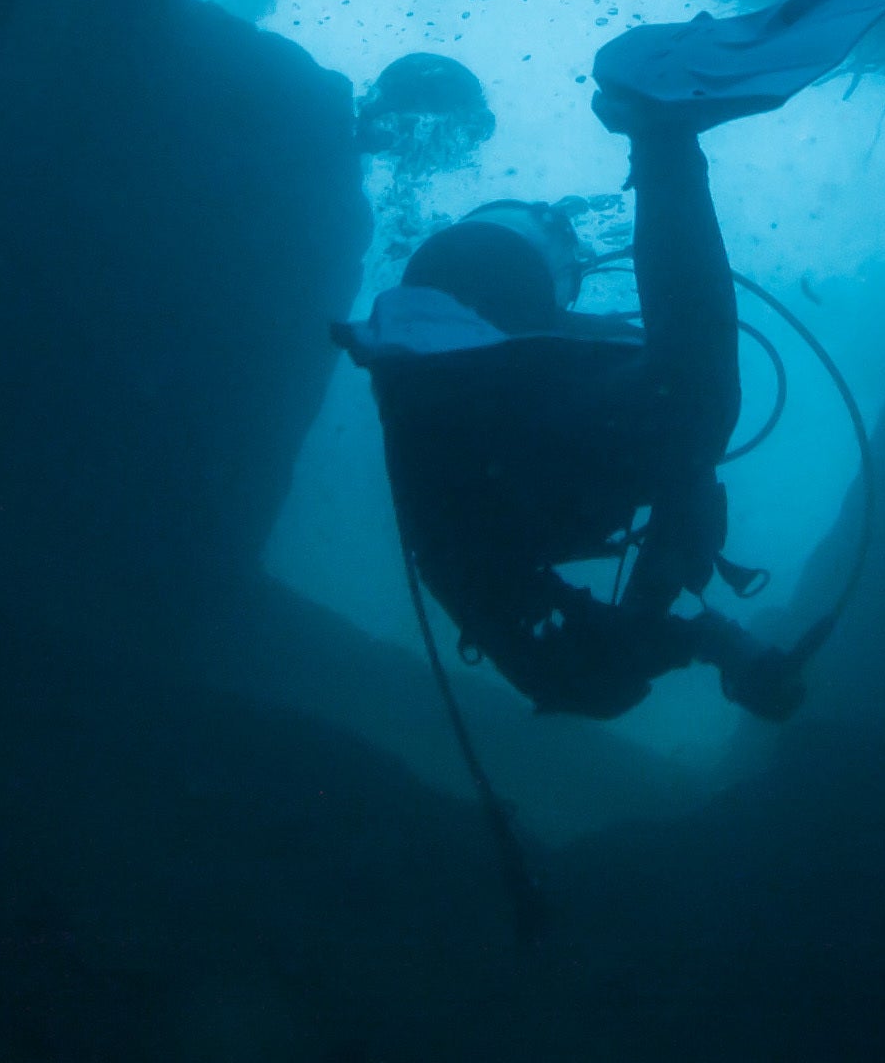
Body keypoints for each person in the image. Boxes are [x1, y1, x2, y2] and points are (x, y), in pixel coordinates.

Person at [343, 82, 812, 723]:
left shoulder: (497, 573)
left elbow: (682, 449)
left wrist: (698, 637)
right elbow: (683, 472)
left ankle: (663, 136)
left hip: (462, 423)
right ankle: (662, 133)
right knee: (693, 412)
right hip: (490, 425)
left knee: (695, 410)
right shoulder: (565, 359)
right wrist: (695, 632)